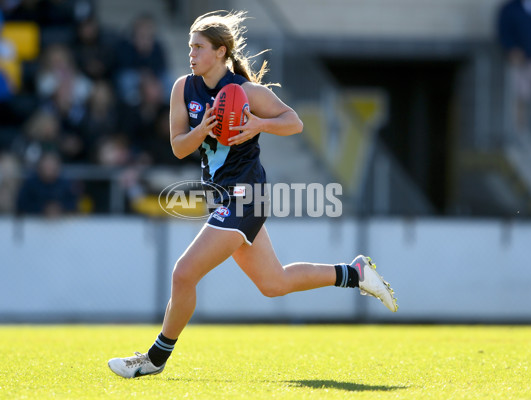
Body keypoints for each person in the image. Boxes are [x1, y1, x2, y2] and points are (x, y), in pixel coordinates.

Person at [107, 11, 398, 379]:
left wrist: (259, 123)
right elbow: (179, 148)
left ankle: (155, 358)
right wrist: (206, 128)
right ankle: (354, 273)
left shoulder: (246, 92)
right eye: (190, 46)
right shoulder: (183, 87)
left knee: (183, 273)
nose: (192, 53)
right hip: (221, 196)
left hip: (246, 195)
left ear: (220, 51)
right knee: (273, 283)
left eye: (199, 47)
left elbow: (294, 122)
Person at [498, 0, 531, 145]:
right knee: (521, 98)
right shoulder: (510, 9)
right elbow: (504, 32)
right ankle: (521, 134)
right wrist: (511, 49)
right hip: (521, 62)